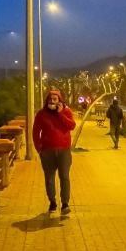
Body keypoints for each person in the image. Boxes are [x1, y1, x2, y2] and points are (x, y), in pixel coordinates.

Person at [32, 87, 75, 216]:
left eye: (55, 99)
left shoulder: (66, 112)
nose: (52, 101)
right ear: (47, 100)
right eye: (50, 99)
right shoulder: (41, 114)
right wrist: (39, 149)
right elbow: (35, 132)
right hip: (47, 152)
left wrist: (61, 113)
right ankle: (52, 202)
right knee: (49, 179)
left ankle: (65, 204)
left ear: (60, 101)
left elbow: (71, 126)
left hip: (64, 151)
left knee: (65, 177)